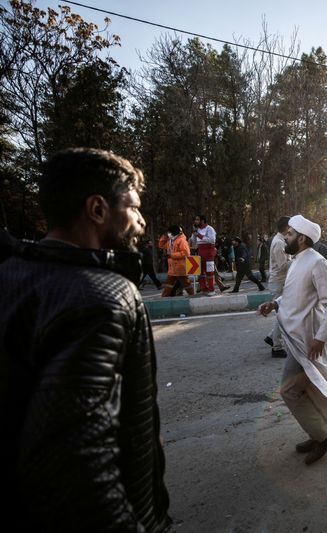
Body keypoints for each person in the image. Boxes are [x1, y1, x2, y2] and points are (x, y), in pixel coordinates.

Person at [0, 148, 170, 531]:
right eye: (134, 208)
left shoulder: (13, 274)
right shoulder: (103, 298)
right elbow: (76, 462)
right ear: (97, 210)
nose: (141, 222)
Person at [258, 215, 327, 465]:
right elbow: (294, 297)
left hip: (307, 341)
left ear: (301, 238)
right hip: (296, 337)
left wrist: (321, 338)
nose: (284, 237)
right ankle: (317, 433)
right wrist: (274, 303)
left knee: (289, 391)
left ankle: (324, 436)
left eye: (288, 234)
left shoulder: (317, 262)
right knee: (311, 389)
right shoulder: (297, 261)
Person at [265, 216, 291, 357]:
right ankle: (276, 346)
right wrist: (299, 261)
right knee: (283, 315)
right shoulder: (279, 243)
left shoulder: (280, 241)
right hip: (279, 282)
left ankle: (271, 336)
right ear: (286, 227)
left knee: (283, 314)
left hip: (280, 282)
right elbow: (283, 266)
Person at [159, 224, 195, 297]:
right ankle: (164, 297)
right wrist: (164, 236)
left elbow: (186, 253)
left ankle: (193, 295)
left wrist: (171, 255)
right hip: (172, 268)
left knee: (186, 283)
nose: (168, 234)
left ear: (174, 233)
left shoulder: (182, 241)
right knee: (169, 284)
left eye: (169, 232)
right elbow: (161, 245)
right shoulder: (170, 240)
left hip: (180, 268)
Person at [191, 214, 217, 294]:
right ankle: (204, 289)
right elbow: (194, 242)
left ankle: (211, 290)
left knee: (209, 271)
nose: (196, 221)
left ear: (202, 221)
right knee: (200, 271)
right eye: (195, 220)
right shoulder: (197, 230)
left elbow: (212, 240)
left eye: (197, 219)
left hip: (209, 251)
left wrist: (199, 235)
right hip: (200, 251)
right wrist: (194, 233)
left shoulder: (209, 228)